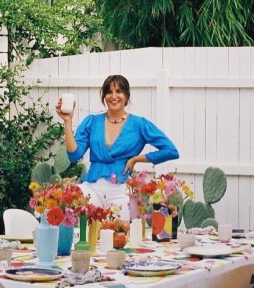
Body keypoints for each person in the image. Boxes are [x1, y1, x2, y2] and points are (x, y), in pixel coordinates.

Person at [55, 74, 179, 220]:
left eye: (119, 91)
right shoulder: (91, 122)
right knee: (71, 208)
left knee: (119, 236)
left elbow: (170, 151)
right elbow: (74, 155)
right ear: (104, 97)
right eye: (109, 92)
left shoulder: (139, 124)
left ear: (127, 96)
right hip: (91, 188)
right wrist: (67, 122)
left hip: (121, 192)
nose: (113, 96)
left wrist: (136, 159)